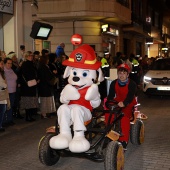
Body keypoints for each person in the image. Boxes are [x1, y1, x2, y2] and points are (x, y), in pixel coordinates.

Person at [107, 63, 137, 150]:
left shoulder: (132, 84)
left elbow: (130, 96)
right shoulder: (114, 83)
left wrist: (124, 103)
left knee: (123, 117)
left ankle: (124, 140)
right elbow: (111, 96)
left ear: (127, 74)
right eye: (120, 73)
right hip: (118, 101)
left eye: (124, 73)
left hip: (128, 102)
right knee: (108, 115)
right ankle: (108, 134)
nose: (121, 75)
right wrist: (108, 103)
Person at [19, 51, 39, 122]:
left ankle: (30, 116)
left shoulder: (31, 64)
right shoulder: (25, 64)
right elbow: (25, 74)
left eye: (31, 55)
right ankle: (28, 117)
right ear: (26, 56)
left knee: (31, 102)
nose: (31, 57)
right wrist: (34, 80)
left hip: (32, 85)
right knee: (28, 102)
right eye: (29, 55)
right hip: (27, 86)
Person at [38, 54, 57, 118]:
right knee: (45, 100)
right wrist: (53, 74)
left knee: (45, 100)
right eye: (47, 59)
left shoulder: (43, 66)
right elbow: (47, 76)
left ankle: (46, 113)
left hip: (44, 86)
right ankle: (44, 113)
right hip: (45, 86)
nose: (48, 60)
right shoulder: (43, 67)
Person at [3, 58, 17, 126]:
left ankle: (10, 119)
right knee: (6, 107)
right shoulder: (3, 71)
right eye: (8, 63)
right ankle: (4, 121)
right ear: (5, 63)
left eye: (11, 63)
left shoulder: (11, 70)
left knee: (11, 106)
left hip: (13, 91)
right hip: (7, 91)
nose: (9, 65)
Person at [0, 58, 9, 132]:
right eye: (1, 64)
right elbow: (1, 83)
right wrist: (5, 85)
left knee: (2, 110)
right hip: (1, 94)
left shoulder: (2, 72)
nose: (3, 65)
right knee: (2, 110)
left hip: (3, 95)